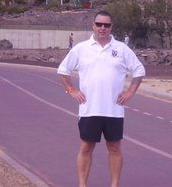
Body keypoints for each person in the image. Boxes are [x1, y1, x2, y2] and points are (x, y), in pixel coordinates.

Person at [57, 10, 145, 187]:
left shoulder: (121, 49)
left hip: (114, 110)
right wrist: (71, 90)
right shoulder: (81, 49)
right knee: (86, 148)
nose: (102, 28)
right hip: (89, 110)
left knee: (114, 148)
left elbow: (139, 71)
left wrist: (130, 92)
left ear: (111, 27)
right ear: (93, 25)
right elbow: (63, 71)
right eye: (99, 24)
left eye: (106, 25)